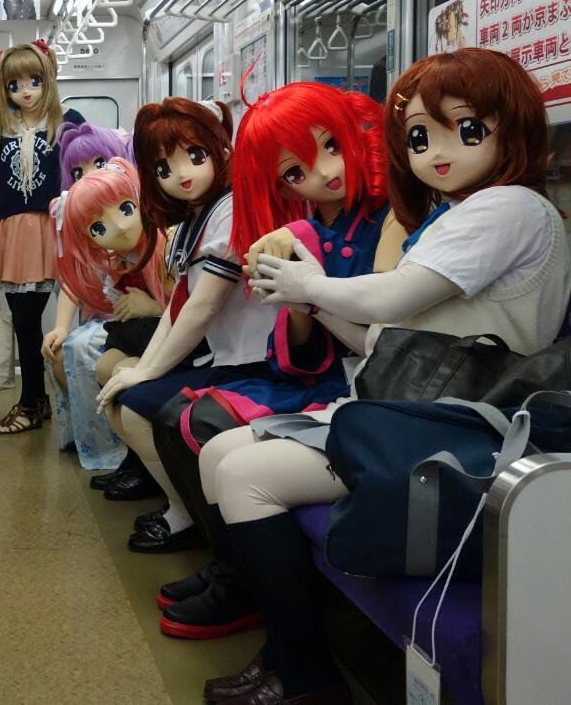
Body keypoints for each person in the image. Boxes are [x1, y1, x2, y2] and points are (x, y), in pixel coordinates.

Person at [202, 48, 571, 704]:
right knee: (218, 453)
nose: (438, 152)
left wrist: (308, 283)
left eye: (467, 128)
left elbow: (394, 299)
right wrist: (311, 299)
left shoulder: (508, 208)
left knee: (241, 475)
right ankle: (284, 644)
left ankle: (304, 671)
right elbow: (387, 341)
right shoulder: (459, 215)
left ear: (511, 126)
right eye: (421, 137)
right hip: (422, 405)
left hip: (462, 426)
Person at [151, 81, 404, 642]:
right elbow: (302, 347)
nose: (324, 172)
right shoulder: (306, 225)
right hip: (335, 376)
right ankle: (236, 572)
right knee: (181, 420)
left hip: (372, 388)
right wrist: (295, 297)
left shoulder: (392, 217)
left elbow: (383, 339)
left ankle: (246, 589)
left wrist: (306, 295)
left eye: (330, 146)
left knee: (202, 427)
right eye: (295, 171)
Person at [96, 98, 277, 553]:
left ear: (219, 149)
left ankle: (187, 515)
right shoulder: (201, 214)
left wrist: (149, 370)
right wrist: (145, 367)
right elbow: (182, 302)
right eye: (164, 167)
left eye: (195, 155)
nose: (181, 174)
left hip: (255, 360)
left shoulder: (229, 209)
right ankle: (185, 509)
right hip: (227, 353)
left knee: (138, 407)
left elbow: (203, 306)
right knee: (128, 394)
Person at [0, 42, 84, 433]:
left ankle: (43, 401)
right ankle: (34, 400)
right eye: (15, 85)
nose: (26, 91)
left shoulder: (68, 122)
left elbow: (86, 174)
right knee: (25, 321)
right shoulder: (1, 129)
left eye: (34, 81)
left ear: (48, 80)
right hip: (14, 232)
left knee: (72, 316)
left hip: (57, 228)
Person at [45, 157, 168, 471]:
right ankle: (131, 457)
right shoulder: (119, 258)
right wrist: (60, 326)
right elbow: (73, 285)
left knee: (117, 371)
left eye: (126, 209)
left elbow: (193, 302)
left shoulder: (164, 246)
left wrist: (153, 306)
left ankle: (143, 465)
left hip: (174, 336)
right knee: (101, 366)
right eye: (99, 228)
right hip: (139, 332)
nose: (121, 226)